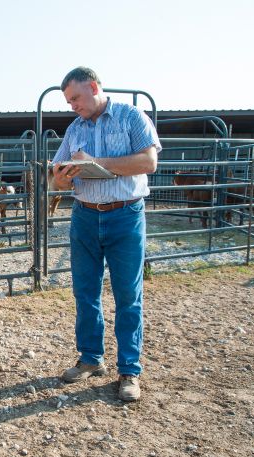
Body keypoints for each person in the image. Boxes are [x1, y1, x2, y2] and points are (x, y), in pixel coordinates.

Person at [51, 66, 161, 401]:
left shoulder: (131, 117)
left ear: (94, 86)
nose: (73, 106)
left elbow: (148, 162)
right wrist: (64, 177)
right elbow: (56, 179)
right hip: (84, 215)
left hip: (125, 215)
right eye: (69, 101)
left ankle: (129, 369)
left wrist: (99, 162)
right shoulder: (74, 129)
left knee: (128, 295)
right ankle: (90, 359)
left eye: (76, 98)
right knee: (85, 292)